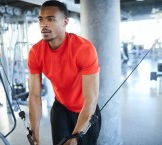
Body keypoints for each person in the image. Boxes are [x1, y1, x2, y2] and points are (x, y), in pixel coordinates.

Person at [28, 1, 101, 145]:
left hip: (86, 109)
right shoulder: (35, 52)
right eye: (41, 19)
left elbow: (90, 100)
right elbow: (35, 96)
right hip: (61, 107)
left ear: (65, 22)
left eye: (51, 19)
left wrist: (75, 136)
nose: (44, 24)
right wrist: (35, 136)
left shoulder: (83, 49)